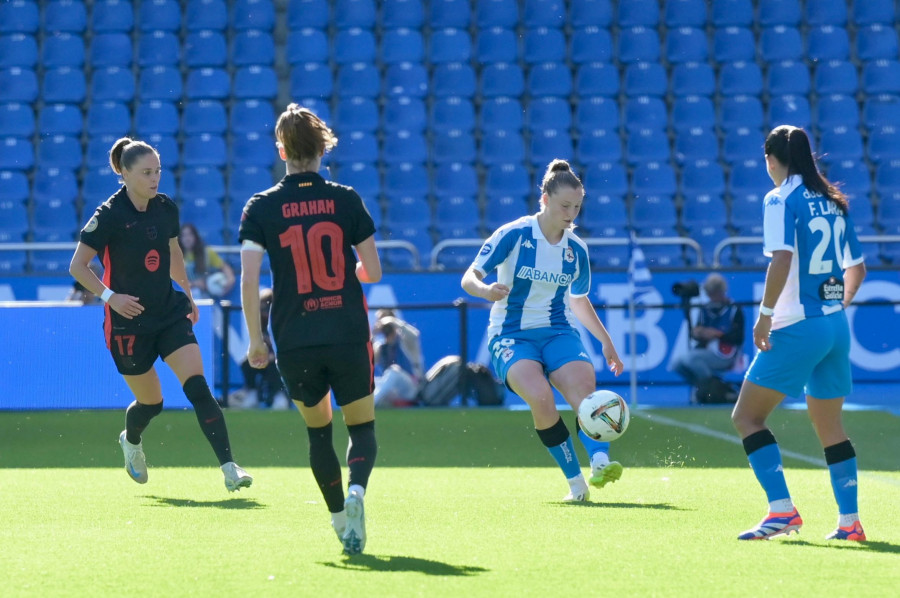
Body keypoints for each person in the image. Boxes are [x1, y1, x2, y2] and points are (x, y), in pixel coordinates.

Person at [69, 137, 252, 492]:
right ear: (124, 173)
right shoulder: (108, 215)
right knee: (151, 404)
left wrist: (187, 293)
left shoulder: (165, 207)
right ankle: (131, 440)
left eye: (158, 171)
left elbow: (172, 252)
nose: (155, 179)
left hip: (169, 312)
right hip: (127, 322)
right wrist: (111, 297)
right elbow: (77, 266)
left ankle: (230, 467)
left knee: (199, 388)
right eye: (146, 173)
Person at [239, 104, 382, 555]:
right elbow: (372, 272)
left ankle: (341, 519)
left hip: (295, 336)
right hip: (345, 329)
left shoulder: (260, 207)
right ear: (323, 148)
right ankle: (357, 489)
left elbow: (248, 279)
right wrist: (347, 271)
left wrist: (256, 339)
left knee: (318, 434)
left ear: (280, 149)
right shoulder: (346, 199)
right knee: (361, 429)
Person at [731, 126, 867, 541]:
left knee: (747, 417)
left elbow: (782, 260)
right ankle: (850, 523)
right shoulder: (833, 201)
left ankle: (782, 512)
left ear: (772, 159)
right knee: (832, 429)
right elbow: (857, 268)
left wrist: (765, 314)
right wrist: (832, 311)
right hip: (833, 325)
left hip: (797, 325)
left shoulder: (779, 198)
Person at [461, 159, 625, 502]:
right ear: (546, 200)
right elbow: (469, 277)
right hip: (511, 334)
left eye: (577, 207)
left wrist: (606, 341)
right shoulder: (514, 235)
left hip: (558, 330)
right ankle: (575, 484)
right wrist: (486, 290)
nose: (571, 213)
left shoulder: (576, 249)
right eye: (565, 205)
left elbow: (578, 300)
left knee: (586, 393)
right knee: (540, 398)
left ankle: (599, 462)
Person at [671, 273, 744, 401]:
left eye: (714, 293)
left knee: (691, 359)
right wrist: (698, 333)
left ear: (722, 291)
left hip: (725, 354)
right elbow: (698, 331)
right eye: (709, 293)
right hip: (706, 350)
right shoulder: (705, 308)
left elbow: (739, 338)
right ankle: (710, 388)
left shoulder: (734, 309)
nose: (712, 296)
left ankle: (712, 389)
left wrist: (718, 334)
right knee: (677, 364)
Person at [229, 288, 290, 410]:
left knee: (275, 365)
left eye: (268, 307)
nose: (265, 312)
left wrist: (275, 354)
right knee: (247, 363)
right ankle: (251, 392)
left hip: (284, 359)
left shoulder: (284, 320)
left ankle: (279, 395)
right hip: (267, 358)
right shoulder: (259, 323)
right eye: (262, 307)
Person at [372, 308, 424, 407]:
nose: (384, 325)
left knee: (394, 371)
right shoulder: (380, 347)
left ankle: (370, 405)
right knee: (370, 381)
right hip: (391, 391)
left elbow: (414, 335)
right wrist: (373, 335)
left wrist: (392, 321)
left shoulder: (406, 342)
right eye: (380, 321)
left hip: (411, 389)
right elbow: (368, 362)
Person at [177, 222, 235, 298]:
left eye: (190, 235)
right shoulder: (176, 257)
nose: (187, 238)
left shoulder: (207, 253)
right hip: (184, 296)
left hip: (205, 296)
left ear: (195, 237)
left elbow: (224, 267)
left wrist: (230, 280)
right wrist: (193, 284)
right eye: (184, 236)